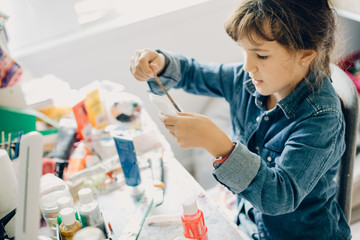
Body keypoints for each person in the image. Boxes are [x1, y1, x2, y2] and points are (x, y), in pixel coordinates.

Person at [130, 0, 351, 239]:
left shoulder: (321, 118)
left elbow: (279, 196)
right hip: (248, 223)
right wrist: (160, 63)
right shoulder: (246, 80)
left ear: (305, 55)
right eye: (243, 51)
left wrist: (221, 147)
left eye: (261, 55)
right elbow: (194, 73)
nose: (247, 66)